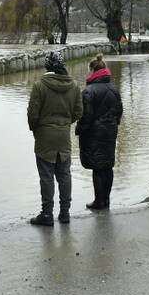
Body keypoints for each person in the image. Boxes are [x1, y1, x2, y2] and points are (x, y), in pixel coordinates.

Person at [26, 51, 82, 226]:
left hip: (44, 137)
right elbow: (79, 112)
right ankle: (65, 213)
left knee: (46, 177)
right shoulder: (74, 86)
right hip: (64, 136)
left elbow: (32, 114)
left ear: (47, 66)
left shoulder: (39, 86)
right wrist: (65, 123)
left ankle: (47, 214)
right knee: (64, 175)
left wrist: (36, 129)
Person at [76, 54, 123, 210]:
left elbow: (86, 116)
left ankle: (99, 201)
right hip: (110, 132)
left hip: (94, 134)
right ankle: (107, 200)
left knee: (97, 167)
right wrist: (114, 124)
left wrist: (79, 129)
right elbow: (119, 110)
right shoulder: (114, 88)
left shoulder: (88, 91)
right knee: (108, 166)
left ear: (92, 71)